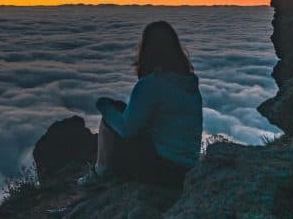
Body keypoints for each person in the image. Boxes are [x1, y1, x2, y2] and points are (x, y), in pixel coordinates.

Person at [78, 21, 203, 188]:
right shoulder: (188, 84)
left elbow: (126, 129)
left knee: (112, 115)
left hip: (161, 170)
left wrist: (103, 106)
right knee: (123, 112)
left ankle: (99, 173)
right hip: (187, 170)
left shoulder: (151, 84)